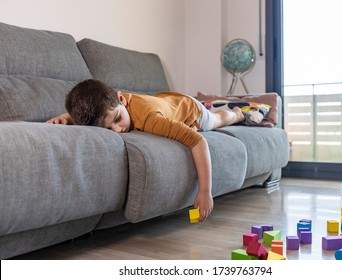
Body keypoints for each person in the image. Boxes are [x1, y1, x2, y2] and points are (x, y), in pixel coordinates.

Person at [47, 79, 245, 222]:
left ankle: (236, 113)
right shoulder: (112, 107)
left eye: (117, 120)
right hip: (164, 100)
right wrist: (64, 118)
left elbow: (198, 142)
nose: (118, 130)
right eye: (107, 130)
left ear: (121, 99)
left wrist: (204, 191)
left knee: (216, 119)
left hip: (190, 108)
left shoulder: (151, 120)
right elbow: (95, 114)